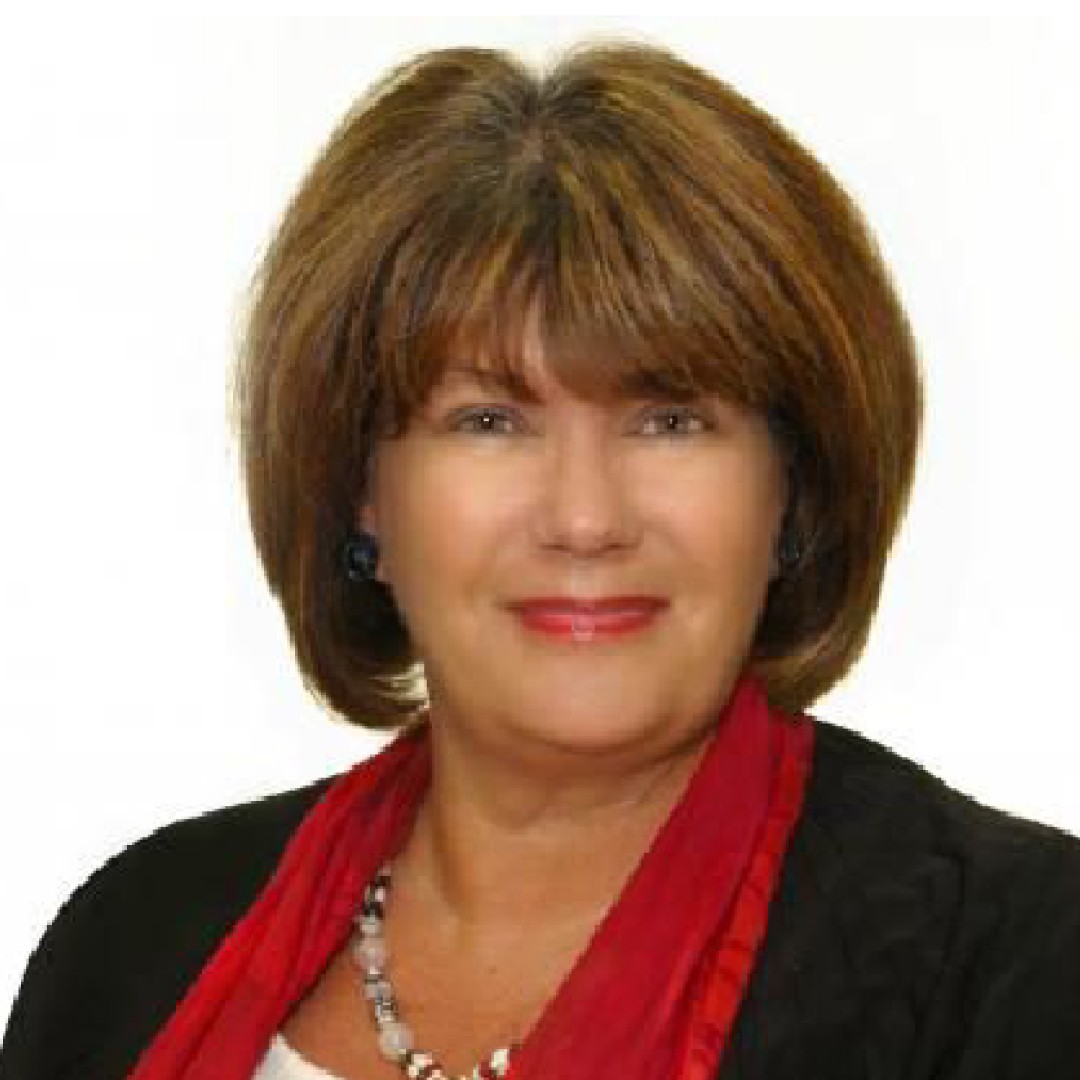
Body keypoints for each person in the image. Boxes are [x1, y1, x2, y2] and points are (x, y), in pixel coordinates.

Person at [2, 36, 1078, 1080]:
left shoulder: (1015, 970)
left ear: (790, 488)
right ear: (361, 491)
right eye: (488, 420)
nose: (583, 518)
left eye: (670, 419)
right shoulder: (135, 944)